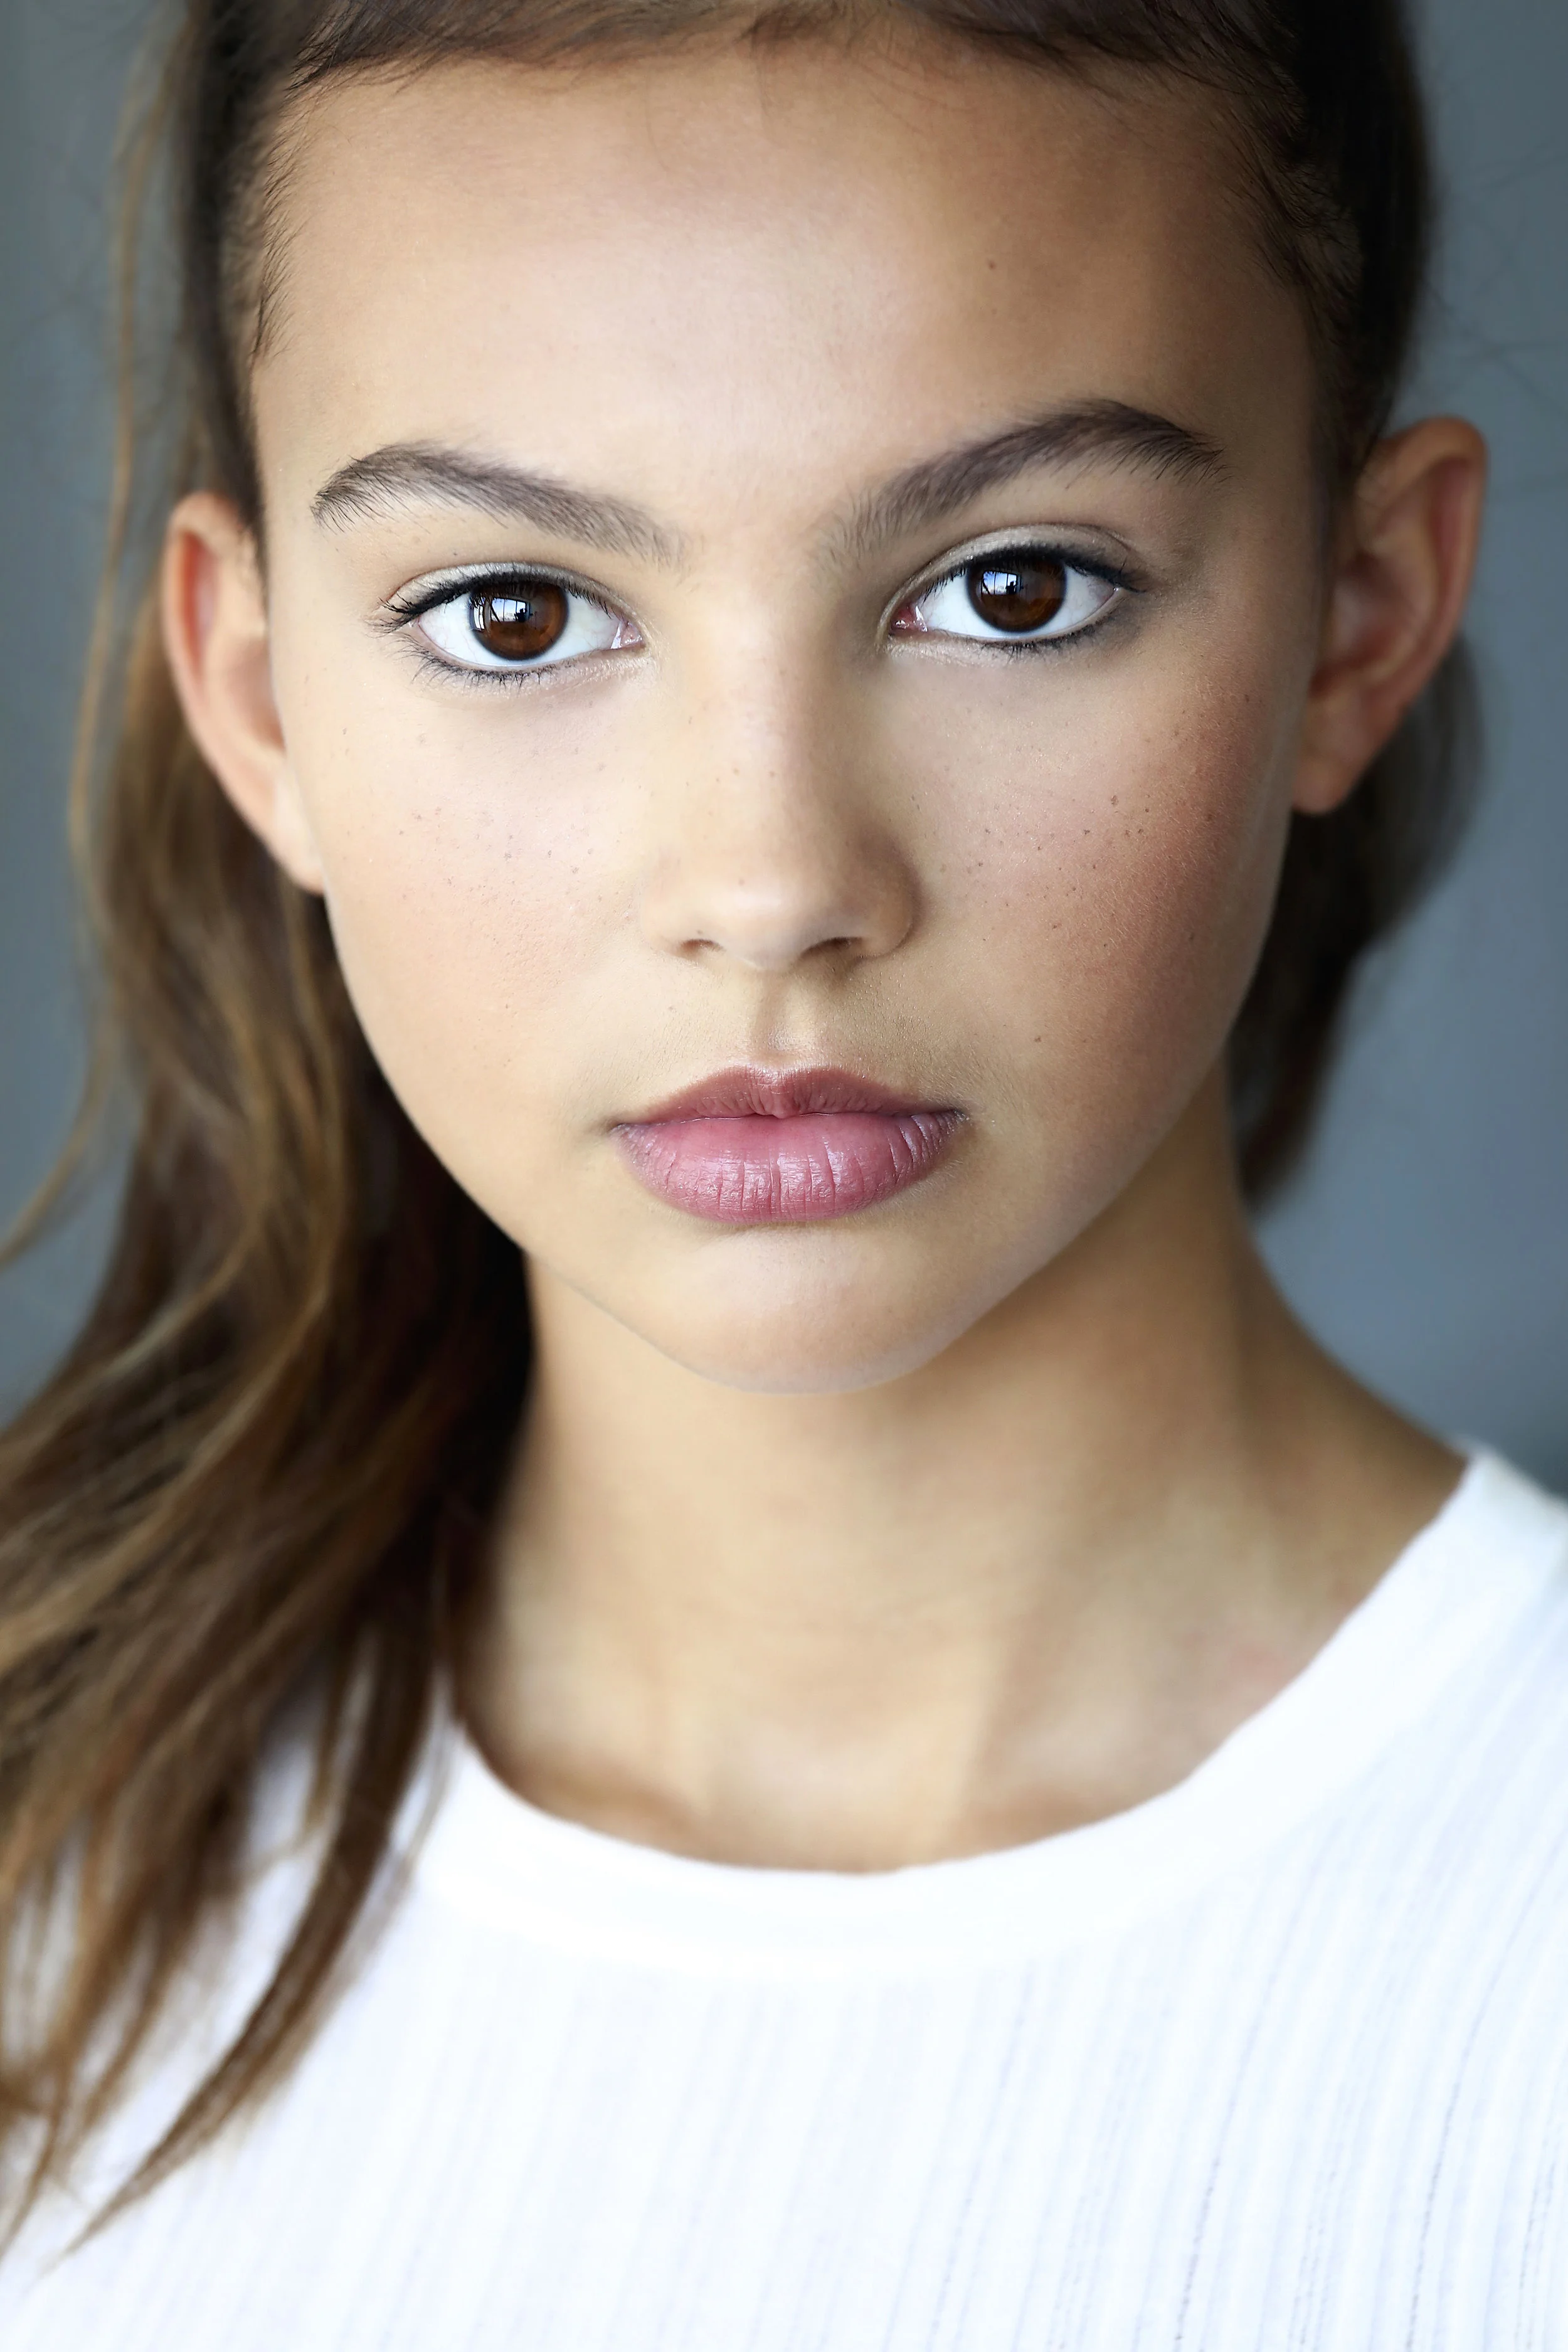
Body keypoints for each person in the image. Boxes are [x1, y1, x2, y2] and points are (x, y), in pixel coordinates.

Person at [0, 0, 1561, 2342]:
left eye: (1015, 587)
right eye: (513, 613)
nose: (768, 876)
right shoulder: (49, 1868)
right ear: (254, 696)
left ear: (1361, 616)